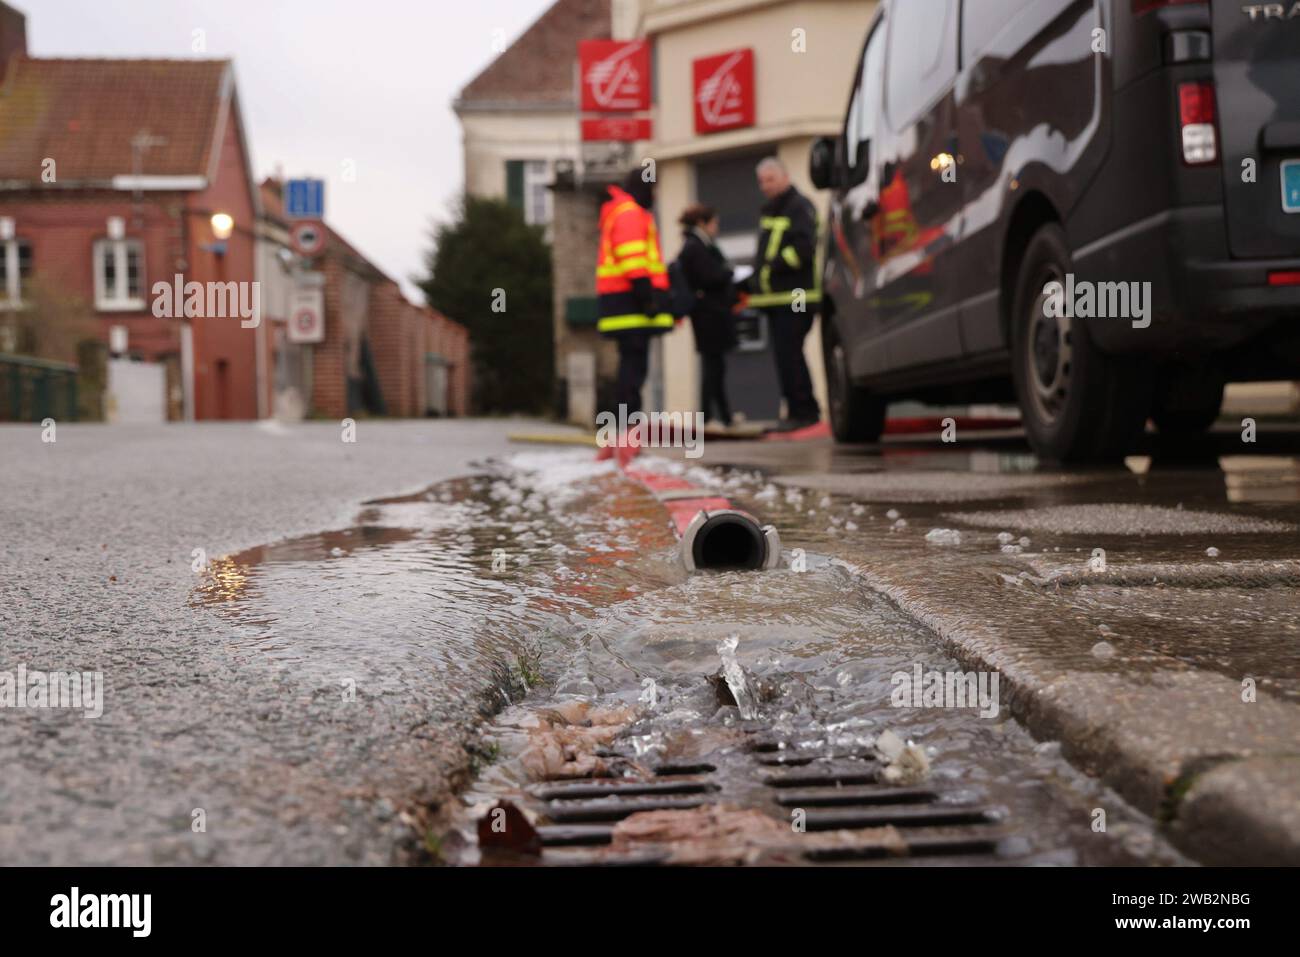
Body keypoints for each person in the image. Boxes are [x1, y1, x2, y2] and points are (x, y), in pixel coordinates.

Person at [595, 169, 674, 442]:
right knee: (633, 367)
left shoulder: (622, 211)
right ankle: (628, 425)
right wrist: (648, 298)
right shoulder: (630, 213)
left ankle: (626, 423)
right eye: (654, 189)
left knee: (631, 364)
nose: (656, 196)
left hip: (623, 303)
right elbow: (633, 261)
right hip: (630, 303)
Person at [748, 156, 821, 432]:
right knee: (785, 354)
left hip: (797, 297)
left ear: (785, 178)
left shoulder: (799, 206)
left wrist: (773, 266)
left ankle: (804, 411)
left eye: (770, 179)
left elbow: (804, 247)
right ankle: (796, 409)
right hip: (778, 299)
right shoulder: (771, 211)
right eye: (761, 181)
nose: (765, 186)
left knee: (790, 352)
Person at [676, 204, 739, 427]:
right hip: (708, 314)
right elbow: (708, 276)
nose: (717, 228)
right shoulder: (695, 247)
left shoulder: (701, 245)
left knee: (715, 365)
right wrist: (728, 273)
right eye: (714, 223)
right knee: (713, 365)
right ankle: (711, 416)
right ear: (703, 223)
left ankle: (721, 416)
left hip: (712, 312)